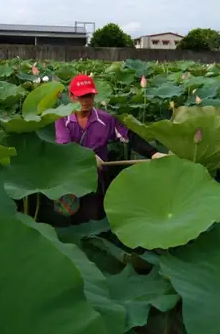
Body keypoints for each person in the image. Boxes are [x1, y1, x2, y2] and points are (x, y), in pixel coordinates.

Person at [55, 74, 167, 224]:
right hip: (69, 178)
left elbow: (129, 136)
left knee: (92, 221)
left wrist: (153, 153)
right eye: (81, 96)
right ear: (71, 96)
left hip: (96, 178)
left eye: (89, 95)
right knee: (65, 221)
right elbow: (65, 147)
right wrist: (88, 157)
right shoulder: (61, 119)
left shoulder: (105, 119)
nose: (86, 100)